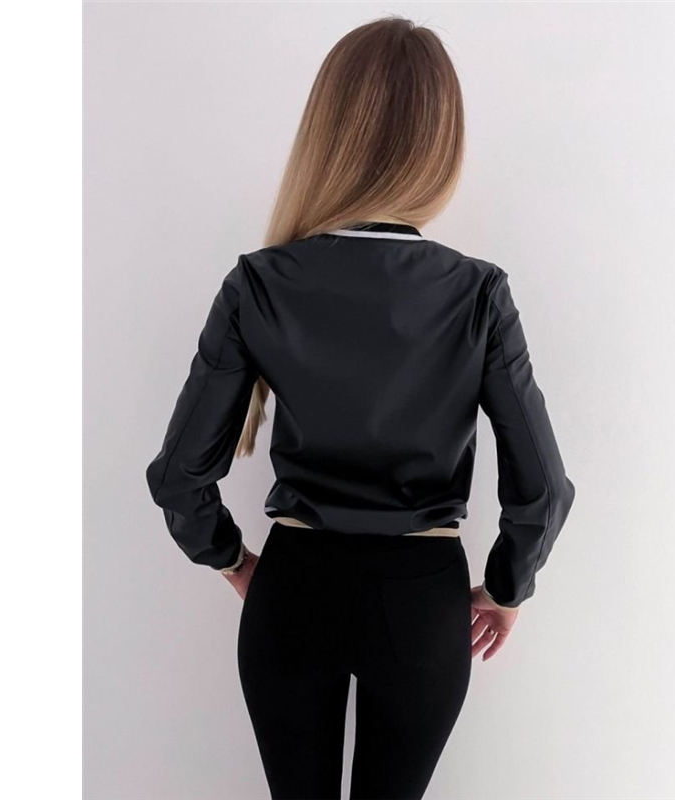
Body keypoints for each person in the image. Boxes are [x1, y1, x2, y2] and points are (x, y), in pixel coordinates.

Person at [145, 14, 576, 800]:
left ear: (328, 130)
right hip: (421, 598)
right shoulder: (479, 293)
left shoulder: (259, 283)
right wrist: (507, 586)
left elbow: (179, 476)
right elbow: (543, 489)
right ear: (440, 143)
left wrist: (233, 560)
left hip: (293, 588)